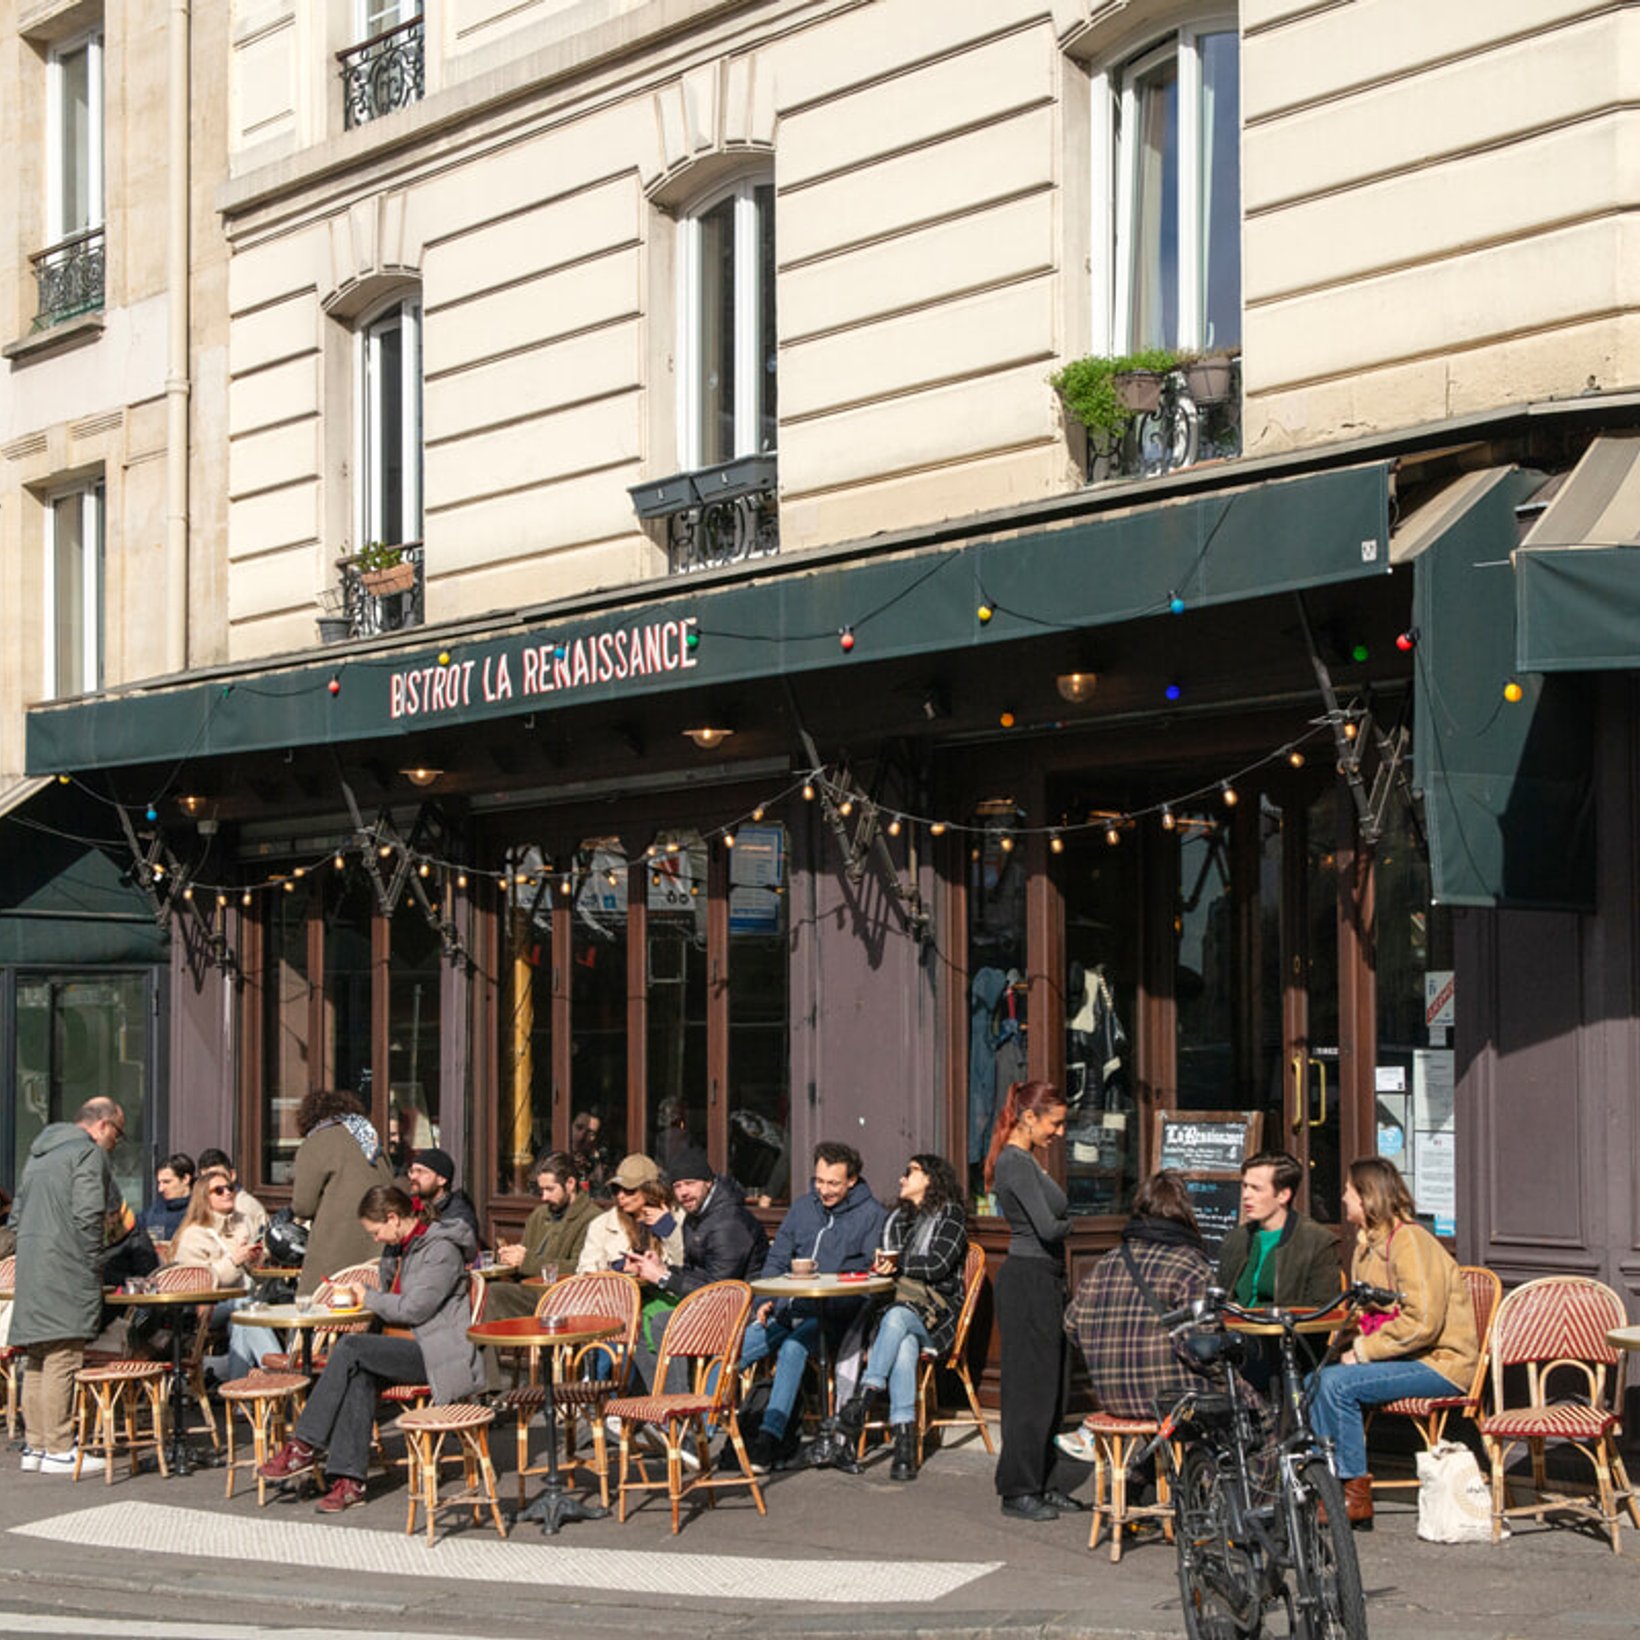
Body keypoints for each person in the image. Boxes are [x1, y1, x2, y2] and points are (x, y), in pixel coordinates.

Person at [259, 1184, 486, 1512]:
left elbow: (414, 1309)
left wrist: (368, 1296)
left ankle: (304, 1446)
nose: (376, 1239)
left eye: (377, 1231)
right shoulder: (400, 1248)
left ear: (394, 1218)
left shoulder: (441, 1250)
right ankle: (349, 1482)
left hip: (439, 1353)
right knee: (359, 1374)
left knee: (349, 1348)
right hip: (404, 1344)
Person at [1308, 1156, 1478, 1531]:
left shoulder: (1410, 1242)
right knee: (1312, 1379)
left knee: (1337, 1385)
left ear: (1369, 1198)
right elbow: (1362, 1310)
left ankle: (1353, 1495)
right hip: (1402, 1359)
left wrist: (1364, 1352)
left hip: (1439, 1362)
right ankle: (1325, 1482)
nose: (1342, 1199)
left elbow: (1423, 1322)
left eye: (1349, 1191)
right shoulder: (1366, 1246)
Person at [740, 1141, 887, 1474]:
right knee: (735, 1347)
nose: (824, 1189)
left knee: (792, 1348)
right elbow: (779, 1256)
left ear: (852, 1180)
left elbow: (868, 1274)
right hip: (790, 1308)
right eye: (819, 1181)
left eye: (833, 1183)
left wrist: (829, 1288)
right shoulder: (804, 1207)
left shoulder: (872, 1216)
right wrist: (766, 1300)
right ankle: (697, 1430)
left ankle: (768, 1438)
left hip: (834, 1314)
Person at [9, 1097, 128, 1475]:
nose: (115, 1143)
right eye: (118, 1134)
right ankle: (60, 1446)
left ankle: (36, 1446)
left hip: (31, 1264)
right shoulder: (87, 1155)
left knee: (38, 1356)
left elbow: (15, 1217)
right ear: (104, 1125)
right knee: (63, 1353)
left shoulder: (39, 1155)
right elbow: (89, 1214)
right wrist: (93, 1262)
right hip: (67, 1264)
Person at [832, 1154, 967, 1483]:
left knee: (897, 1318)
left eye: (910, 1172)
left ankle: (861, 1401)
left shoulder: (951, 1215)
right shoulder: (898, 1220)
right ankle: (905, 1449)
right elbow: (890, 1272)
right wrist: (883, 1268)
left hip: (938, 1314)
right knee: (902, 1341)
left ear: (930, 1179)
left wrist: (899, 1263)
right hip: (900, 1311)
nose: (902, 1179)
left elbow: (936, 1266)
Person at [1061, 1172, 1215, 1449]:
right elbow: (1197, 1346)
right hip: (1171, 1395)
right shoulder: (1189, 1264)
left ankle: (1141, 1476)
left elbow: (1071, 1324)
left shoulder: (1107, 1262)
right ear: (1185, 1213)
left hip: (1111, 1396)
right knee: (1248, 1405)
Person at [987, 1079, 1077, 1522]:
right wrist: (1073, 1223)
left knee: (1052, 1386)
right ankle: (1018, 1488)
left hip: (1043, 1277)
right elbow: (1047, 1226)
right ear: (1029, 1117)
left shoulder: (1027, 1161)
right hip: (1028, 1279)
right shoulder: (1016, 1163)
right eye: (1054, 1124)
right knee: (1029, 1389)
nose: (1058, 1133)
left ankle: (1042, 1480)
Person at [625, 1145, 767, 1397]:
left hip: (741, 1311)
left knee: (662, 1322)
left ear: (708, 1183)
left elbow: (718, 1290)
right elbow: (696, 1273)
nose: (683, 1193)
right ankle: (657, 1404)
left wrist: (663, 1278)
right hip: (711, 1303)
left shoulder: (728, 1222)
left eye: (689, 1184)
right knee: (634, 1319)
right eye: (677, 1186)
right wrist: (663, 1268)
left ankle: (677, 1410)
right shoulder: (698, 1216)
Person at [169, 1167, 281, 1380]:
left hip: (244, 1300)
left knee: (241, 1322)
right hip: (207, 1307)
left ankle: (240, 1401)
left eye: (229, 1188)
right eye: (218, 1190)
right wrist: (234, 1260)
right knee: (244, 1308)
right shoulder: (194, 1234)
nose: (227, 1193)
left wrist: (255, 1259)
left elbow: (256, 1275)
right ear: (204, 1197)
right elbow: (200, 1283)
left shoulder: (243, 1221)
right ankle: (281, 1373)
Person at [289, 1090, 395, 1294]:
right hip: (379, 1251)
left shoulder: (317, 1143)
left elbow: (303, 1205)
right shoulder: (370, 1139)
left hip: (337, 1250)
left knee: (320, 1311)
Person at [1217, 1150, 1341, 1310]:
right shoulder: (1236, 1238)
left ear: (1283, 1195)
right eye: (1245, 1186)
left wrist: (1255, 1318)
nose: (1246, 1195)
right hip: (1233, 1332)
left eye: (1256, 1188)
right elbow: (1220, 1296)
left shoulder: (1318, 1243)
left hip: (1283, 1333)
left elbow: (1321, 1309)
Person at [485, 1150, 601, 1321]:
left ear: (570, 1183)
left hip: (564, 1298)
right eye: (541, 1190)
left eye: (550, 1189)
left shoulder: (591, 1218)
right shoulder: (539, 1215)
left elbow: (579, 1270)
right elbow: (525, 1260)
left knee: (495, 1294)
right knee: (483, 1289)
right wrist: (511, 1260)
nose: (544, 1197)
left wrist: (526, 1261)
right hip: (532, 1292)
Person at [576, 1154, 685, 1274]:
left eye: (629, 1190)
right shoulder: (601, 1225)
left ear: (649, 1189)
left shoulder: (678, 1218)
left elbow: (686, 1269)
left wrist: (670, 1232)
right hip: (620, 1291)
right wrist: (617, 1270)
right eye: (616, 1189)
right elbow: (585, 1272)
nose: (620, 1196)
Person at [406, 1147, 482, 1244]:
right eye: (411, 1171)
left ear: (441, 1180)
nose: (413, 1177)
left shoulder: (457, 1215)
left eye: (420, 1172)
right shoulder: (409, 1208)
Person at [196, 1147, 269, 1239]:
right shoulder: (200, 1206)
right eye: (208, 1179)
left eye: (221, 1176)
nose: (216, 1182)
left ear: (232, 1175)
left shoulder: (244, 1207)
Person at [138, 1153, 196, 1241]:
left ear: (185, 1179)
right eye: (159, 1183)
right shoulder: (153, 1212)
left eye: (166, 1182)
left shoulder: (201, 1211)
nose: (160, 1189)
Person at [570, 1110, 610, 1196]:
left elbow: (600, 1190)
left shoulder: (594, 1159)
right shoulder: (552, 1151)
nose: (582, 1135)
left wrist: (596, 1162)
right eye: (579, 1128)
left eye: (590, 1133)